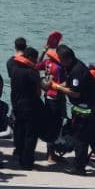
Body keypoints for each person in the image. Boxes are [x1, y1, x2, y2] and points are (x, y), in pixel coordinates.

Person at [49, 44, 95, 175]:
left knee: (80, 138)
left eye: (60, 59)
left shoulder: (77, 70)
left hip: (86, 111)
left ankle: (79, 167)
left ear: (66, 59)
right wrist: (58, 85)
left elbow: (75, 93)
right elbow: (69, 84)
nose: (59, 61)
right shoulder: (74, 66)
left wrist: (57, 88)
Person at [9, 47, 43, 169]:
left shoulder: (14, 70)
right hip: (30, 106)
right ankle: (27, 162)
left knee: (19, 131)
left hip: (17, 105)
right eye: (35, 58)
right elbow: (38, 92)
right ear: (30, 58)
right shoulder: (32, 72)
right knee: (30, 134)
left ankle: (18, 153)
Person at [38, 31, 66, 162]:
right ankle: (51, 154)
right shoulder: (60, 68)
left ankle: (50, 152)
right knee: (56, 125)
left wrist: (43, 52)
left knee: (50, 124)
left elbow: (36, 66)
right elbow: (62, 85)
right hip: (56, 98)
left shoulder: (47, 62)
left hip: (47, 97)